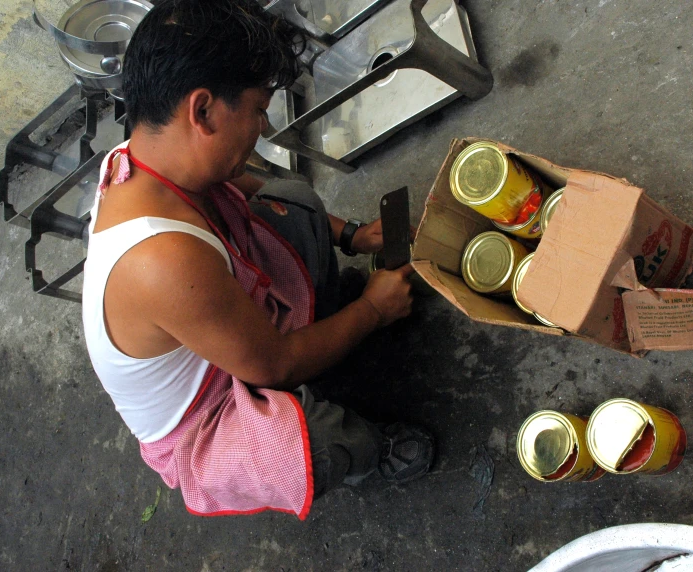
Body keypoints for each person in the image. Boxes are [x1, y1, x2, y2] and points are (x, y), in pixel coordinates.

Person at [82, 0, 434, 521]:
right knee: (311, 442)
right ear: (202, 111)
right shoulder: (160, 260)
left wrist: (352, 236)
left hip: (218, 322)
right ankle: (366, 452)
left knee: (295, 199)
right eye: (256, 108)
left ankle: (330, 318)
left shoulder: (148, 152)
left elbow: (240, 181)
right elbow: (273, 364)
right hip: (205, 414)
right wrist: (373, 312)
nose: (263, 125)